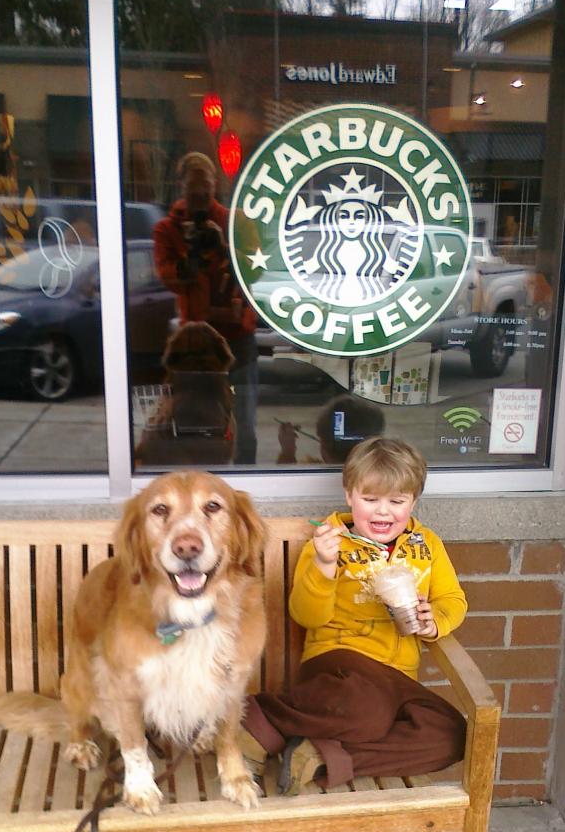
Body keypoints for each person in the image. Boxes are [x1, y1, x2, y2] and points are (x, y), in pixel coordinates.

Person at [240, 437, 467, 794]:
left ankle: (319, 756)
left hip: (397, 675)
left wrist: (434, 620)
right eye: (370, 499)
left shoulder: (427, 545)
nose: (383, 512)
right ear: (349, 495)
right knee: (369, 710)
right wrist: (324, 566)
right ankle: (261, 717)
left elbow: (453, 599)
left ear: (413, 501)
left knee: (450, 733)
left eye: (396, 501)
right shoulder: (331, 543)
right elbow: (307, 616)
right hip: (338, 662)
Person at [153, 151, 258, 464]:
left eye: (205, 189)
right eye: (193, 189)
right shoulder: (167, 230)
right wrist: (192, 258)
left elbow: (254, 270)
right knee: (193, 423)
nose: (199, 196)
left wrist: (222, 246)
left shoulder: (236, 222)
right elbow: (169, 278)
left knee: (245, 424)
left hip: (237, 337)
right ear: (181, 187)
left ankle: (245, 484)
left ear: (216, 186)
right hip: (197, 345)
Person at [276, 393, 385, 464]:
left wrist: (287, 452)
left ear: (324, 444)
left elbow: (280, 485)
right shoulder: (387, 477)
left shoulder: (310, 477)